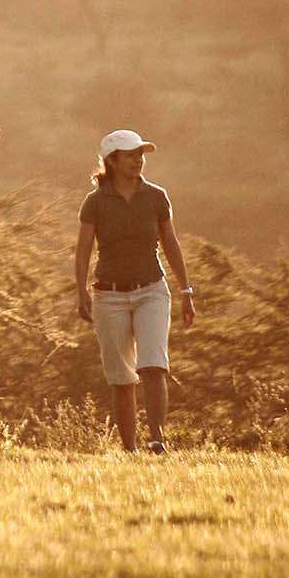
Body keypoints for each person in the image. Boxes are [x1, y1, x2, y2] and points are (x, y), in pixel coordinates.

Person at [74, 129, 197, 454]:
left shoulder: (156, 196)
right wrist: (81, 291)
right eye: (130, 155)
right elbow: (84, 249)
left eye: (140, 155)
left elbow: (170, 243)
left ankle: (157, 440)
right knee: (122, 378)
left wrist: (185, 289)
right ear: (112, 161)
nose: (138, 161)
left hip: (151, 291)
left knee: (153, 366)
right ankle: (130, 449)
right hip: (109, 295)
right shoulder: (96, 202)